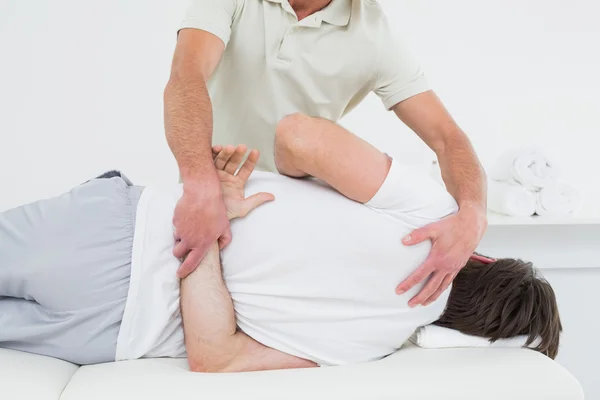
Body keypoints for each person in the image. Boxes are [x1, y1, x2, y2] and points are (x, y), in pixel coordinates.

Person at [0, 125, 561, 370]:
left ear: (483, 257)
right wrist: (211, 246)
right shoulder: (365, 348)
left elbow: (297, 135)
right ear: (463, 338)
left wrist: (221, 206)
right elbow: (214, 358)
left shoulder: (430, 213)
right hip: (117, 333)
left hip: (115, 230)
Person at [163, 0, 489, 307]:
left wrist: (474, 213)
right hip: (204, 194)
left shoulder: (372, 34)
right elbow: (187, 74)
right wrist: (201, 188)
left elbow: (447, 138)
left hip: (286, 216)